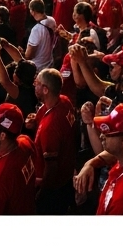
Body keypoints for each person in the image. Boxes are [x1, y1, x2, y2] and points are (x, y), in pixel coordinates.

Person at [29, 68, 76, 214]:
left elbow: (51, 167)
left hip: (54, 189)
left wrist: (42, 193)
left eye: (36, 83)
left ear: (45, 90)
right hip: (67, 177)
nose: (34, 85)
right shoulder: (65, 101)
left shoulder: (50, 127)